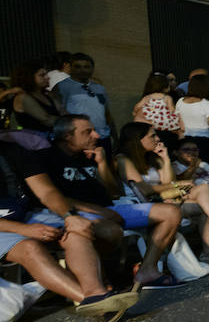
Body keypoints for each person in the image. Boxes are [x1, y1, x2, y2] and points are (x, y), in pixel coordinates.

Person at [10, 115, 183, 290]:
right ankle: (100, 279)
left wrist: (101, 164)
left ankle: (147, 271)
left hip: (107, 208)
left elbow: (113, 191)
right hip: (74, 212)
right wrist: (100, 211)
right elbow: (50, 197)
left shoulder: (89, 155)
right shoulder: (46, 158)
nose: (96, 135)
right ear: (68, 136)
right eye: (88, 132)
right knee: (109, 231)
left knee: (170, 212)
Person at [0, 133, 137, 320]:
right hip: (6, 227)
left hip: (23, 215)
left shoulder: (12, 151)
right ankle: (97, 303)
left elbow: (46, 191)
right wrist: (25, 230)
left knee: (76, 230)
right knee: (30, 248)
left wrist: (69, 216)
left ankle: (96, 293)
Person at [115, 122, 209, 267]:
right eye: (152, 136)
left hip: (164, 198)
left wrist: (165, 159)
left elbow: (168, 181)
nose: (157, 139)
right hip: (145, 205)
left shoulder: (152, 157)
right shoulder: (123, 160)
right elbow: (145, 189)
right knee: (201, 192)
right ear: (138, 140)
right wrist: (179, 184)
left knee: (204, 197)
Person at [53, 53, 114, 142]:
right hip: (79, 138)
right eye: (78, 67)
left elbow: (107, 113)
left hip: (103, 136)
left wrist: (114, 135)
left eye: (86, 67)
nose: (82, 70)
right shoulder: (62, 86)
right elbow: (58, 112)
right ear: (70, 68)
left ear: (92, 69)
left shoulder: (99, 88)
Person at [176, 74, 209, 161]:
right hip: (205, 144)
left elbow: (182, 127)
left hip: (186, 141)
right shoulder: (206, 104)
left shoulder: (180, 102)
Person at [6, 59, 65, 132]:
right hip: (35, 140)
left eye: (47, 74)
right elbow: (46, 119)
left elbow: (63, 112)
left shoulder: (47, 94)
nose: (47, 77)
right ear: (28, 77)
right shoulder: (23, 97)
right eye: (42, 75)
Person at [131, 72, 184, 143]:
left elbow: (137, 107)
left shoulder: (147, 97)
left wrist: (135, 112)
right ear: (165, 87)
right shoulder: (167, 98)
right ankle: (180, 135)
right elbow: (172, 111)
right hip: (164, 125)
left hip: (151, 123)